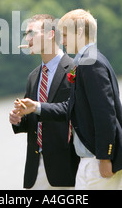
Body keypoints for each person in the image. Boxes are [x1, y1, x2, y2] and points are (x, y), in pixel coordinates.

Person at [15, 9, 122, 189]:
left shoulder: (92, 62)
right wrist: (35, 108)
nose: (63, 40)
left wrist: (105, 157)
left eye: (66, 35)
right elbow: (71, 108)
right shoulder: (84, 61)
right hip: (88, 160)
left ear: (80, 33)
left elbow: (105, 113)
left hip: (97, 161)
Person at [9, 14, 79, 189]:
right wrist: (19, 120)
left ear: (50, 34)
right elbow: (35, 119)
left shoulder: (74, 68)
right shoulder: (33, 76)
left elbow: (74, 111)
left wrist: (37, 107)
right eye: (26, 34)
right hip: (35, 169)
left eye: (32, 32)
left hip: (67, 167)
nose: (28, 38)